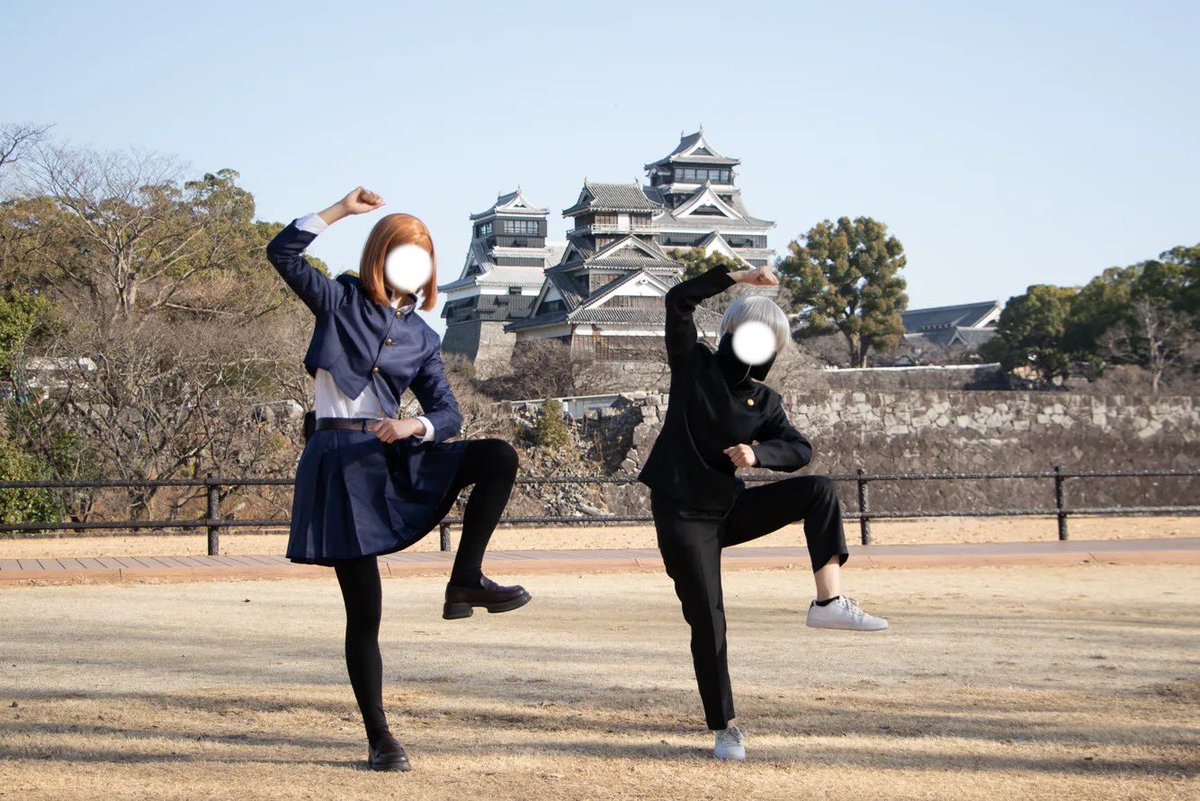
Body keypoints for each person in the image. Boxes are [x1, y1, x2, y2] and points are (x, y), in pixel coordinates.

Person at [266, 187, 532, 772]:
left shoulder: (424, 337)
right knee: (365, 612)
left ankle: (465, 580)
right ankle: (380, 738)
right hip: (338, 464)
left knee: (497, 456)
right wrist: (339, 211)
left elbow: (448, 413)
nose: (414, 266)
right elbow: (281, 252)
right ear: (380, 257)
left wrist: (416, 424)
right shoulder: (337, 299)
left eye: (423, 257)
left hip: (393, 458)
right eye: (402, 254)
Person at [636, 261, 888, 762]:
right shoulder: (693, 364)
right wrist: (739, 276)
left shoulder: (765, 401)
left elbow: (800, 449)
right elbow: (678, 301)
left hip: (729, 509)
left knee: (819, 490)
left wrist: (759, 453)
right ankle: (725, 727)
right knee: (709, 619)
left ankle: (828, 603)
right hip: (683, 515)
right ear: (731, 332)